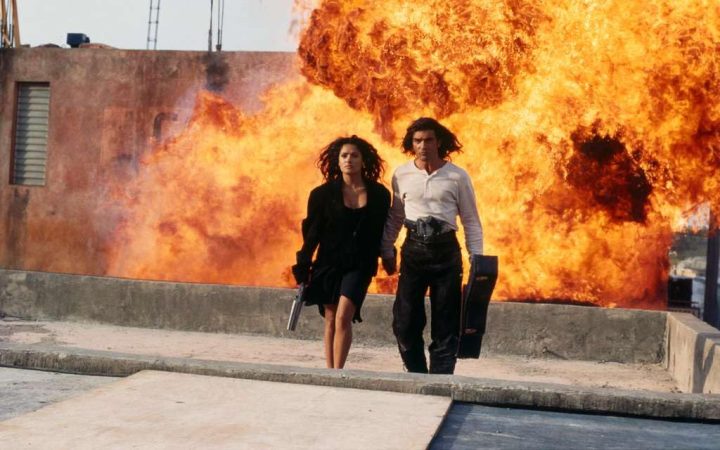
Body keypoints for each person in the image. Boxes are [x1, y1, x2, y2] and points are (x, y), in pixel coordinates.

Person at [381, 117, 484, 375]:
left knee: (446, 323)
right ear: (411, 144)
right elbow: (395, 216)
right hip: (414, 250)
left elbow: (470, 219)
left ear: (438, 142)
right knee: (405, 322)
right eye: (417, 140)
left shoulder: (457, 176)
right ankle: (416, 375)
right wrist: (386, 248)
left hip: (446, 253)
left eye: (428, 140)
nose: (423, 145)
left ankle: (440, 380)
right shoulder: (402, 174)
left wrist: (477, 258)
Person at [292, 135, 391, 369]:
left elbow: (382, 230)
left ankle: (338, 372)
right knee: (330, 318)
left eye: (354, 155)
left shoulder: (379, 194)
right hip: (328, 262)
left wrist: (388, 255)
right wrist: (304, 264)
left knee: (344, 315)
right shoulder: (321, 194)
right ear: (337, 160)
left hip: (360, 264)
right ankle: (330, 371)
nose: (349, 160)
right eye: (344, 155)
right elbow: (312, 232)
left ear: (363, 160)